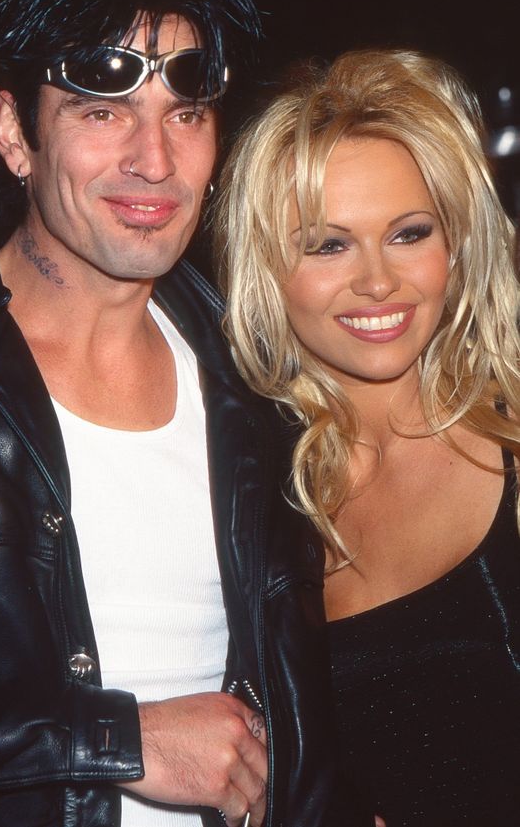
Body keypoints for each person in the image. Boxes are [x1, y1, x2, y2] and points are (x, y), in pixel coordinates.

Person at [0, 0, 360, 827]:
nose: (154, 160)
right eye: (102, 111)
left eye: (185, 112)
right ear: (13, 133)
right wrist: (116, 740)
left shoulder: (260, 377)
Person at [216, 49, 520, 827]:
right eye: (327, 244)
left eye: (409, 232)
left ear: (455, 246)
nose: (378, 281)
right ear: (268, 268)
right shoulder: (246, 500)